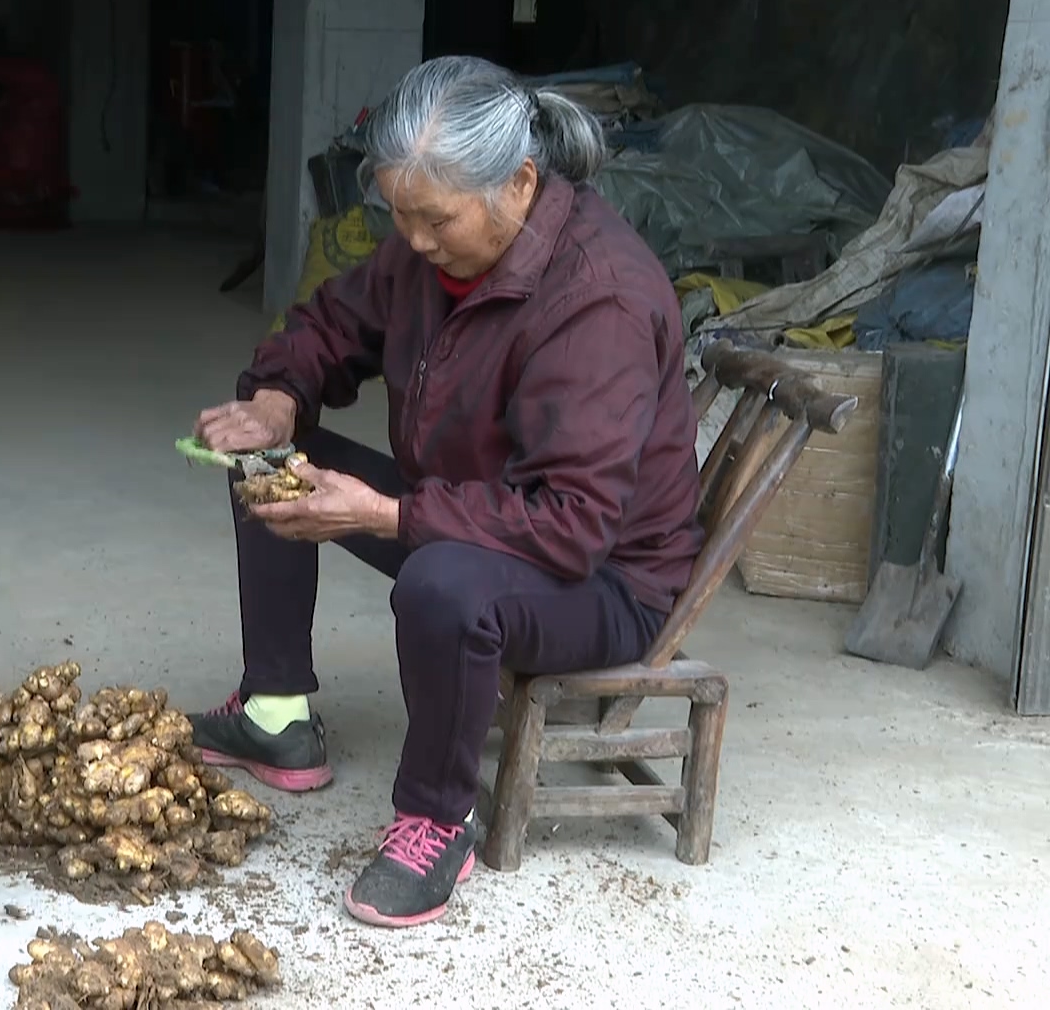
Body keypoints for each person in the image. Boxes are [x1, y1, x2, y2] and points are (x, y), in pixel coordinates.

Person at [188, 56, 704, 929]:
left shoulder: (598, 299)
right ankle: (275, 713)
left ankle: (435, 817)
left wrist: (385, 513)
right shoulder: (429, 249)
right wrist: (277, 397)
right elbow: (332, 320)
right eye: (400, 214)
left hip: (601, 578)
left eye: (435, 219)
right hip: (469, 506)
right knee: (272, 465)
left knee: (443, 585)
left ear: (521, 183)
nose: (416, 241)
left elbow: (573, 526)